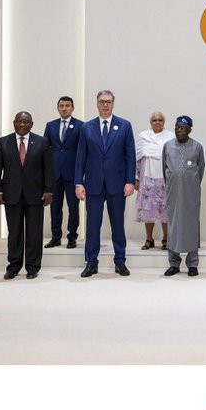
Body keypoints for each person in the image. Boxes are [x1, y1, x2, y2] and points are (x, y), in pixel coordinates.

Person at [74, 90, 137, 277]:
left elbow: (130, 155)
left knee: (118, 225)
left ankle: (120, 261)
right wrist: (78, 183)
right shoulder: (86, 127)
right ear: (97, 104)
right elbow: (80, 157)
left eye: (108, 102)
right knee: (92, 226)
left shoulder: (124, 126)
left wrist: (130, 181)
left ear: (113, 104)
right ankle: (91, 262)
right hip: (93, 184)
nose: (105, 105)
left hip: (117, 184)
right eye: (102, 101)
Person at [0, 110, 54, 279]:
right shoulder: (2, 142)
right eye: (19, 121)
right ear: (14, 123)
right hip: (11, 194)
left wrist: (49, 190)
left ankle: (32, 267)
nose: (22, 124)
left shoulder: (42, 142)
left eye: (26, 122)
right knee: (14, 233)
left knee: (34, 233)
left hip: (36, 194)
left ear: (31, 124)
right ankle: (13, 266)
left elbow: (49, 169)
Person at [162, 116, 205, 277]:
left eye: (182, 127)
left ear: (189, 130)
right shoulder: (167, 146)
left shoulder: (197, 147)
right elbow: (165, 170)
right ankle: (174, 264)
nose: (179, 130)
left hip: (191, 193)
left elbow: (200, 169)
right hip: (173, 193)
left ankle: (192, 264)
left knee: (191, 225)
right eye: (177, 127)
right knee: (173, 225)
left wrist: (190, 184)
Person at [43, 96, 83, 248]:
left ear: (73, 108)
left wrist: (81, 175)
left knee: (73, 208)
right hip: (54, 174)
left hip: (72, 174)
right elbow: (45, 150)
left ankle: (72, 237)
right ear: (58, 108)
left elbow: (82, 151)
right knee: (55, 207)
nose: (64, 108)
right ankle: (56, 237)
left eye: (67, 105)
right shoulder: (50, 125)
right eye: (61, 106)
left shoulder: (81, 126)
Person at [135, 112, 174, 250]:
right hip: (147, 179)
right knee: (148, 210)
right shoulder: (143, 136)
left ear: (164, 121)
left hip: (165, 179)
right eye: (154, 120)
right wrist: (136, 178)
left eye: (160, 120)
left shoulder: (170, 137)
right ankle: (149, 239)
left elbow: (173, 157)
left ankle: (166, 238)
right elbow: (136, 158)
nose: (157, 122)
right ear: (150, 122)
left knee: (166, 210)